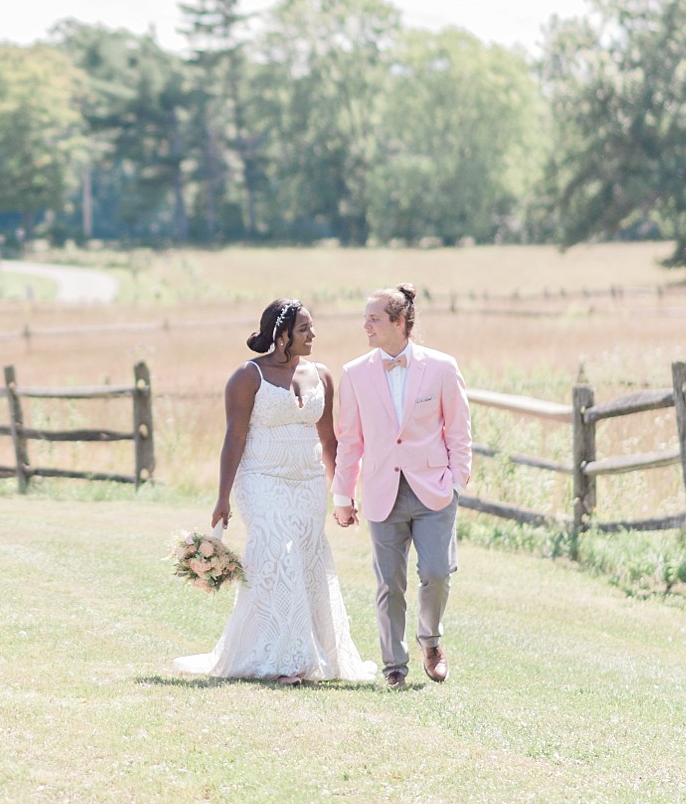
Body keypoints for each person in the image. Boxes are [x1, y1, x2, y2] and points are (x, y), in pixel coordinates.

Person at [174, 298, 376, 684]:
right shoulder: (247, 377)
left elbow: (329, 440)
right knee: (277, 552)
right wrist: (223, 497)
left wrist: (343, 495)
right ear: (282, 335)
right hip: (261, 479)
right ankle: (288, 661)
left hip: (308, 482)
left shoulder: (322, 375)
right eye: (304, 329)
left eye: (312, 327)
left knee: (305, 559)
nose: (313, 335)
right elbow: (234, 438)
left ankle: (307, 651)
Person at [332, 284, 471, 690]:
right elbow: (350, 440)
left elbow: (459, 431)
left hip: (434, 490)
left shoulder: (443, 367)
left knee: (437, 573)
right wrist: (343, 495)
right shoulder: (354, 373)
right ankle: (394, 665)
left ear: (399, 322)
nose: (366, 326)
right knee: (389, 582)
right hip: (380, 490)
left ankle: (431, 641)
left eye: (373, 319)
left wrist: (457, 482)